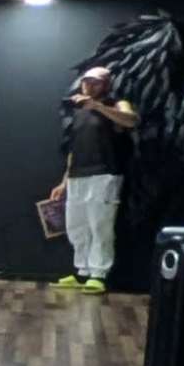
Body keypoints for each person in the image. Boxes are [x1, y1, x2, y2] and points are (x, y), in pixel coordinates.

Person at [51, 64, 138, 294]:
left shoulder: (115, 103)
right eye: (86, 81)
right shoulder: (78, 112)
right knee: (76, 225)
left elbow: (131, 120)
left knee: (100, 225)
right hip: (77, 175)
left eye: (95, 82)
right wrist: (64, 182)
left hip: (104, 174)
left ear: (105, 85)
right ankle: (82, 271)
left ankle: (98, 274)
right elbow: (73, 150)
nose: (89, 85)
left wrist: (98, 106)